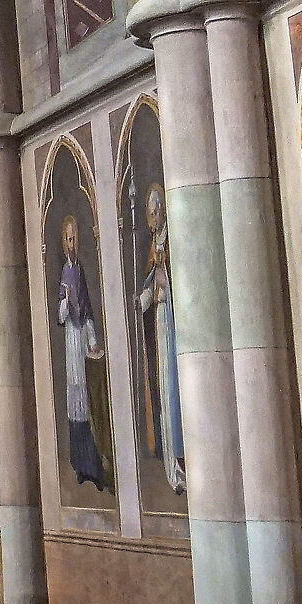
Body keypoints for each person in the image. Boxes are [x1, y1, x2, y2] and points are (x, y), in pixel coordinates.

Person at [131, 184, 184, 493]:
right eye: (150, 214)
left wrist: (165, 278)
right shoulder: (154, 246)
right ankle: (171, 467)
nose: (153, 218)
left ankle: (182, 464)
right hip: (162, 322)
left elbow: (175, 283)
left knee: (176, 391)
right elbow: (154, 285)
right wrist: (143, 299)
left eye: (155, 212)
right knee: (164, 393)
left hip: (177, 324)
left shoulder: (171, 240)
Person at [55, 213, 109, 491]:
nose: (71, 242)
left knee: (85, 400)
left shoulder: (80, 271)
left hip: (82, 340)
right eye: (67, 238)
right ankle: (80, 464)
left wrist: (93, 342)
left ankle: (91, 464)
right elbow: (61, 315)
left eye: (74, 237)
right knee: (74, 399)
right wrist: (65, 300)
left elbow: (87, 309)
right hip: (70, 340)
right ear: (63, 242)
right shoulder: (65, 272)